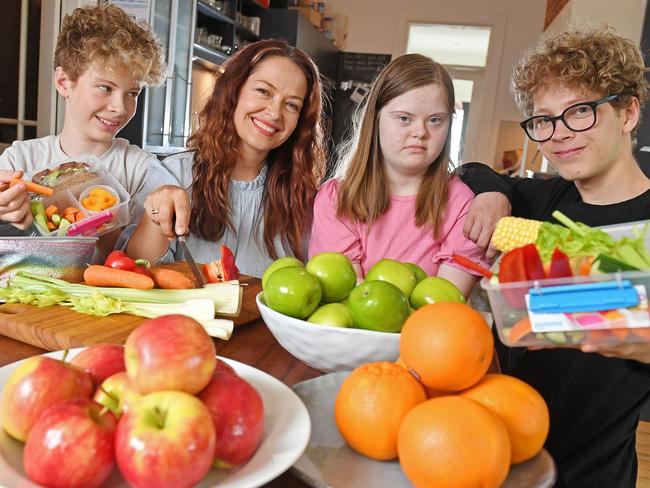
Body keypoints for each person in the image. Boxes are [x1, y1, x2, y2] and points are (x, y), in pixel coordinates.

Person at [458, 27, 650, 488]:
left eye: (580, 111)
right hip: (499, 457)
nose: (559, 134)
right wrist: (492, 194)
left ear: (628, 112)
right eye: (543, 119)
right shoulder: (538, 198)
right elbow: (469, 167)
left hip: (593, 473)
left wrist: (628, 331)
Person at [124, 39, 326, 278]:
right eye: (263, 91)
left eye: (291, 105)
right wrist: (155, 216)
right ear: (234, 90)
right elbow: (136, 271)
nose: (274, 112)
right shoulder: (173, 175)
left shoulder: (305, 198)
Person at [308, 54, 489, 297]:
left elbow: (443, 305)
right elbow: (349, 297)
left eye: (435, 120)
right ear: (376, 118)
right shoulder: (335, 199)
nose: (420, 132)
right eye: (404, 118)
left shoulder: (465, 205)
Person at [0, 4, 167, 256]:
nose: (119, 108)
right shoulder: (19, 159)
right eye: (105, 88)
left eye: (132, 93)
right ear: (64, 82)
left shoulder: (142, 169)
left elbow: (143, 262)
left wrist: (105, 225)